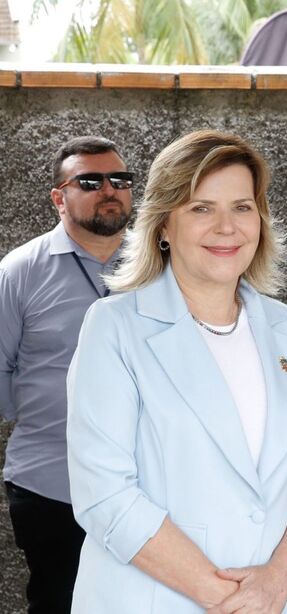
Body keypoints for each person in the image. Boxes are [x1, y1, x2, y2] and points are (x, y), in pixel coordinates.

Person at [65, 130, 287, 613]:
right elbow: (104, 496)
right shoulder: (114, 328)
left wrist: (275, 583)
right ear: (163, 226)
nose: (227, 227)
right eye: (201, 208)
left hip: (275, 600)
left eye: (242, 206)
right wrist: (231, 600)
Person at [0, 136, 132, 613]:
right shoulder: (18, 273)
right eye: (90, 181)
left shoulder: (163, 267)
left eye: (120, 179)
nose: (109, 190)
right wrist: (55, 418)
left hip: (147, 486)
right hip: (52, 486)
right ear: (59, 197)